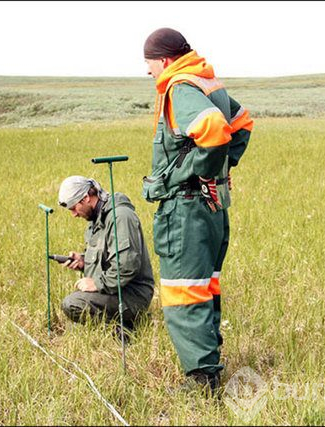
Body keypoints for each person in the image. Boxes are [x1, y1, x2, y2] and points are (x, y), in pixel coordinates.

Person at [141, 28, 254, 393]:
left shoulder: (179, 87)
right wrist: (223, 170)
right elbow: (242, 123)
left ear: (165, 61)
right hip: (212, 208)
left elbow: (215, 130)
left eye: (150, 64)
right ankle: (209, 365)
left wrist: (199, 171)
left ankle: (202, 381)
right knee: (204, 287)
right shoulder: (206, 81)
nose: (148, 72)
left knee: (184, 291)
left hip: (187, 210)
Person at [57, 175, 154, 336]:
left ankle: (128, 327)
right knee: (75, 301)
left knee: (72, 303)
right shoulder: (97, 217)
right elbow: (108, 257)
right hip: (115, 290)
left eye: (74, 208)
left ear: (86, 197)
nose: (73, 214)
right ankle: (119, 323)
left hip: (133, 295)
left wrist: (97, 283)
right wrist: (83, 261)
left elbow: (127, 266)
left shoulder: (120, 217)